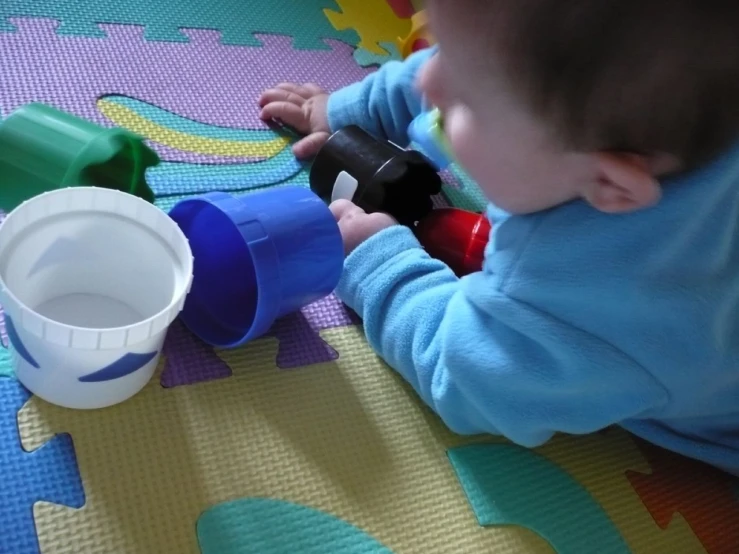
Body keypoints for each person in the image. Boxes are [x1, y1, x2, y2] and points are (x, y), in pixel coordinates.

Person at [258, 0, 739, 474]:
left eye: (466, 100)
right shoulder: (659, 103)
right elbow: (482, 54)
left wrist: (382, 265)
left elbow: (469, 379)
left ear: (609, 186)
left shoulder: (603, 300)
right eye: (443, 49)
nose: (427, 80)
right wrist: (353, 108)